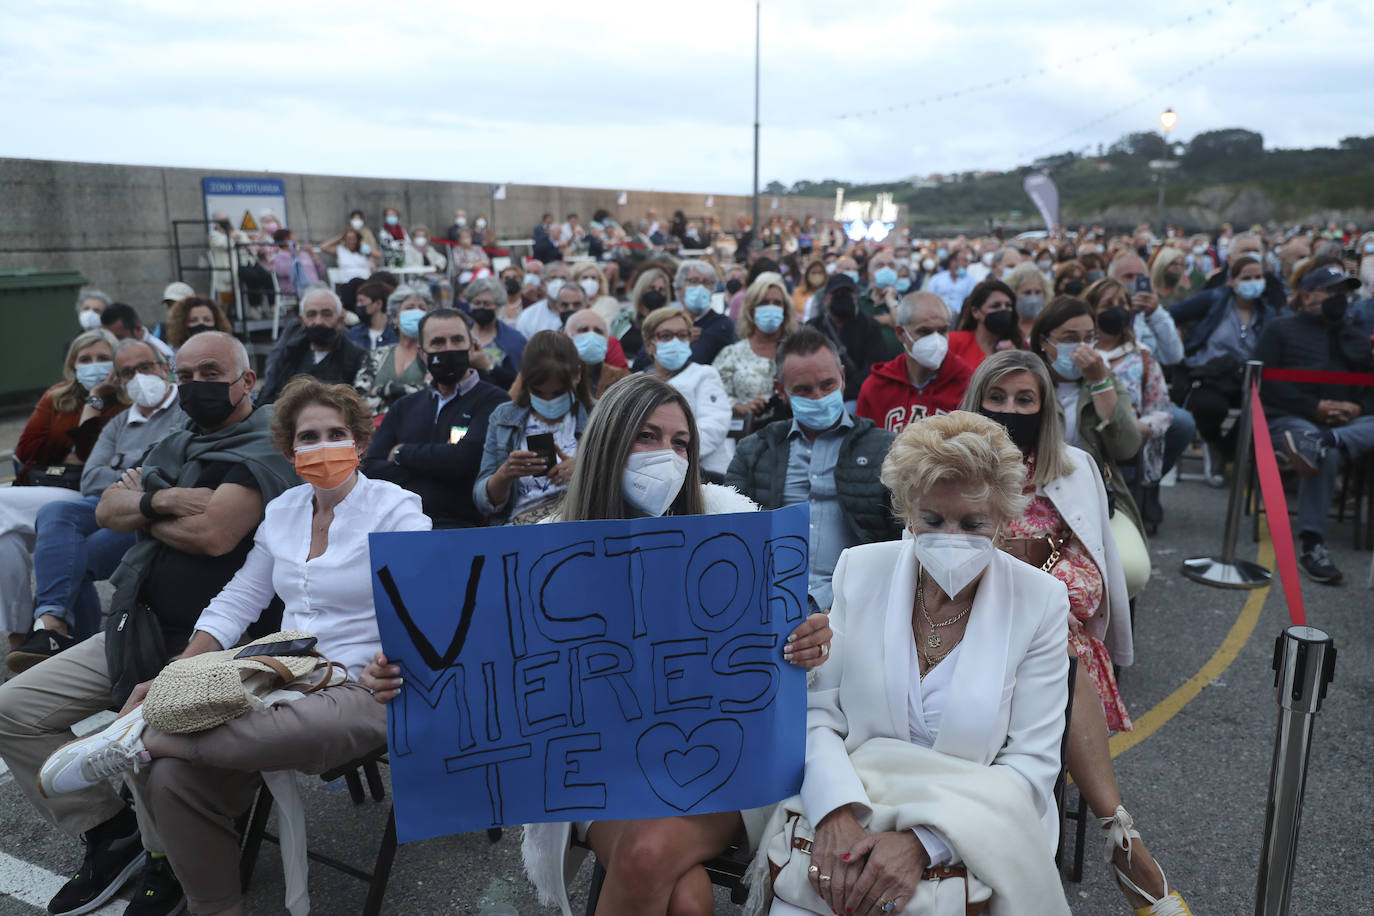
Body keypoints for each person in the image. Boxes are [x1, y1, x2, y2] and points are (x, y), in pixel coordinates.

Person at [361, 374, 830, 916]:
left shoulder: (734, 525)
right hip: (600, 769)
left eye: (681, 443)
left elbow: (795, 656)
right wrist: (401, 677)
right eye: (647, 436)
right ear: (609, 442)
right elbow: (471, 654)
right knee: (688, 894)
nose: (667, 456)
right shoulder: (549, 549)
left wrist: (809, 644)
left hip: (720, 760)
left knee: (648, 854)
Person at [36, 376, 429, 916]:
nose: (322, 446)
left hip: (368, 680)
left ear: (360, 442)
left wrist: (395, 659)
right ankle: (214, 905)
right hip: (286, 668)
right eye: (308, 436)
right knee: (174, 778)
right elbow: (240, 597)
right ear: (290, 452)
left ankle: (141, 741)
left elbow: (425, 601)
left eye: (336, 432)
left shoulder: (397, 509)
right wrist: (182, 669)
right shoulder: (286, 510)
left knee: (297, 729)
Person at [0, 330, 299, 916]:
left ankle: (168, 860)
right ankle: (113, 833)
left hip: (217, 640)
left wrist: (143, 508)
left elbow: (216, 534)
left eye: (210, 373)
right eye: (184, 376)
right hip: (134, 622)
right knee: (14, 709)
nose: (194, 387)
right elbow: (106, 508)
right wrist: (164, 503)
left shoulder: (267, 443)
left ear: (248, 381)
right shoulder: (177, 436)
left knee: (145, 732)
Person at [756, 409, 1072, 916]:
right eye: (932, 519)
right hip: (854, 804)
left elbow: (1032, 765)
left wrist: (925, 842)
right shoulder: (860, 570)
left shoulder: (1040, 600)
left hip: (970, 828)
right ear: (905, 511)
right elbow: (820, 713)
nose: (952, 536)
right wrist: (835, 813)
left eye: (974, 524)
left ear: (1004, 522)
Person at [962, 351, 1189, 915]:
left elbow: (1092, 579)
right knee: (1047, 651)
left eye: (1024, 400)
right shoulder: (949, 461)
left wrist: (1039, 604)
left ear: (1043, 409)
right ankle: (1117, 836)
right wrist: (1023, 599)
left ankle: (1109, 834)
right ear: (977, 401)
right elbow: (931, 561)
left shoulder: (1072, 469)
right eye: (997, 399)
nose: (1009, 410)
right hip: (966, 625)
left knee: (1060, 651)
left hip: (1052, 631)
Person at [6, 340, 185, 671]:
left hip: (148, 513)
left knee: (72, 559)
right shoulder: (118, 423)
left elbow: (176, 469)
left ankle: (61, 642)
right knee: (55, 513)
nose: (139, 376)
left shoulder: (185, 409)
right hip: (105, 505)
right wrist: (135, 473)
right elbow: (90, 479)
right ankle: (52, 626)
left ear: (163, 367)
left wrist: (132, 477)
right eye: (128, 372)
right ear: (119, 380)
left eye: (145, 367)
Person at [726, 327, 901, 610]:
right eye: (804, 390)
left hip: (856, 605)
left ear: (843, 379)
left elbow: (904, 537)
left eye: (827, 384)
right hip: (769, 602)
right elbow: (728, 535)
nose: (818, 397)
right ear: (781, 391)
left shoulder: (885, 449)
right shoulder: (754, 450)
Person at [1255, 265, 1374, 584]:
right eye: (1332, 292)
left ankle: (1328, 438)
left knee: (1321, 444)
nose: (1341, 299)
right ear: (1307, 296)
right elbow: (1264, 385)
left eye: (1345, 294)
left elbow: (1369, 388)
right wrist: (1315, 407)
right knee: (1320, 449)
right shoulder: (1279, 330)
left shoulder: (1356, 337)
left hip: (1351, 422)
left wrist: (1355, 406)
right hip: (1289, 420)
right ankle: (1312, 543)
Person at [4, 330, 125, 641]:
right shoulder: (57, 396)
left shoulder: (125, 402)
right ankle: (21, 633)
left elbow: (89, 455)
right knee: (5, 537)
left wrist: (95, 398)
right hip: (48, 488)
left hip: (90, 494)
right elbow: (27, 450)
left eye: (102, 358)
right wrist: (72, 450)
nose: (93, 364)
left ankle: (32, 630)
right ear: (73, 365)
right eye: (85, 359)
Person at [363, 309, 509, 527]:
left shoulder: (495, 401)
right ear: (422, 353)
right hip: (402, 527)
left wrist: (402, 453)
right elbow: (371, 469)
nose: (449, 349)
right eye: (438, 342)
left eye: (457, 340)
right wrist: (439, 466)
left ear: (472, 345)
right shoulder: (404, 406)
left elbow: (466, 461)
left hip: (463, 528)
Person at [1028, 296, 1146, 545]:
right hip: (1033, 493)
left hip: (1094, 495)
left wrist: (1099, 383)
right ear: (1043, 341)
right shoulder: (1025, 381)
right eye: (1070, 339)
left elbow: (1126, 447)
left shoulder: (1105, 379)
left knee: (1133, 570)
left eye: (1089, 338)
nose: (1082, 348)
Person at [1168, 254, 1277, 468]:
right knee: (1209, 407)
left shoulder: (1268, 313)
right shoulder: (1215, 298)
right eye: (1247, 277)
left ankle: (1225, 450)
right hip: (1211, 375)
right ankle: (1215, 443)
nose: (1253, 282)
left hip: (1248, 378)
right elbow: (1171, 314)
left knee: (1266, 409)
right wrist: (1176, 336)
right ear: (1232, 280)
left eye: (1258, 276)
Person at [473, 331, 591, 525]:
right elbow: (483, 502)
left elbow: (623, 485)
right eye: (538, 392)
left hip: (578, 526)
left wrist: (584, 471)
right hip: (519, 530)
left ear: (577, 375)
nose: (549, 400)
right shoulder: (503, 417)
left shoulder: (598, 415)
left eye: (558, 393)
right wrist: (505, 473)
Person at [1086, 279, 1173, 532]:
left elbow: (1162, 411)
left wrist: (1138, 427)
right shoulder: (1079, 355)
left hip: (1128, 454)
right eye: (1108, 304)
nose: (1117, 309)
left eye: (1123, 303)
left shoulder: (1142, 355)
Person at [640, 306, 732, 482]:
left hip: (702, 472)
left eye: (682, 335)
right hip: (645, 471)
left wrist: (674, 456)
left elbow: (714, 425)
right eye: (666, 336)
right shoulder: (638, 382)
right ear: (649, 345)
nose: (676, 341)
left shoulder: (704, 375)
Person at [857, 292, 974, 431]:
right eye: (925, 331)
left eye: (942, 330)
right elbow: (864, 447)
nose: (936, 340)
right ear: (901, 333)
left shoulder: (967, 384)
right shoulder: (876, 387)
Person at [712, 272, 796, 438]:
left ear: (785, 310)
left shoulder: (797, 351)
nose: (771, 307)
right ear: (751, 310)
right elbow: (712, 395)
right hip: (747, 437)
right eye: (764, 302)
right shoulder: (731, 354)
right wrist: (738, 407)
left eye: (777, 303)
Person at [256, 286, 366, 405]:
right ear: (302, 321)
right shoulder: (288, 355)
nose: (318, 321)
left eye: (326, 314)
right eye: (311, 314)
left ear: (340, 320)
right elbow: (268, 397)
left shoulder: (357, 358)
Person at [805, 273, 889, 404]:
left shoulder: (870, 326)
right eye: (837, 294)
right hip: (820, 396)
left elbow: (875, 366)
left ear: (855, 297)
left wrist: (844, 391)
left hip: (858, 397)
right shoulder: (813, 327)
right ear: (825, 299)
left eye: (847, 293)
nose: (842, 297)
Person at [354, 284, 434, 415]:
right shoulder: (377, 355)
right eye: (410, 307)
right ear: (395, 318)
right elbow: (360, 397)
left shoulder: (432, 356)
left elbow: (432, 393)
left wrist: (381, 390)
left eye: (422, 308)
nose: (417, 312)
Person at [466, 276, 528, 390]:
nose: (481, 307)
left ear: (498, 306)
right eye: (476, 303)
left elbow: (519, 381)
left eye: (487, 304)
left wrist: (488, 366)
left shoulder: (514, 339)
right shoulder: (459, 335)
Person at [946, 279, 1022, 369]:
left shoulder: (1019, 345)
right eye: (996, 306)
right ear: (975, 312)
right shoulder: (953, 342)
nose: (1003, 310)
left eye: (1008, 305)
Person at [675, 259, 737, 366]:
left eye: (706, 283)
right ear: (680, 287)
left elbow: (697, 360)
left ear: (713, 289)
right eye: (693, 281)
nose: (700, 287)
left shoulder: (721, 324)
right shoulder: (669, 321)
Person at [564, 309, 629, 398]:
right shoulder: (556, 376)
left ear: (606, 339)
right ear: (567, 335)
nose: (591, 335)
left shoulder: (622, 378)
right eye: (583, 330)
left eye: (598, 331)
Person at [619, 263, 674, 366]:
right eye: (652, 288)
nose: (656, 293)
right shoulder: (623, 319)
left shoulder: (670, 323)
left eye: (661, 290)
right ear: (641, 289)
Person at [100, 303, 175, 363]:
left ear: (138, 329)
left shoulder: (162, 355)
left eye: (118, 338)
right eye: (107, 338)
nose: (112, 342)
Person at [268, 229, 327, 300]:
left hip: (315, 287)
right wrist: (294, 256)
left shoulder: (304, 254)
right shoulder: (280, 257)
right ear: (287, 240)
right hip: (297, 291)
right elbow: (287, 272)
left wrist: (312, 254)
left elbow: (321, 271)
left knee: (325, 290)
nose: (295, 239)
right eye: (292, 237)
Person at [1006, 261, 1053, 343]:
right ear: (1013, 294)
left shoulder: (1051, 327)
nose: (1033, 298)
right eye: (1027, 293)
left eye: (1038, 292)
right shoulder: (1006, 326)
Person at [346, 280, 399, 351]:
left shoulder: (396, 334)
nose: (358, 305)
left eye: (361, 301)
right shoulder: (355, 333)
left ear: (378, 303)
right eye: (357, 301)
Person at [164, 296, 232, 349]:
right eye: (193, 320)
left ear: (217, 322)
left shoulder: (228, 352)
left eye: (207, 320)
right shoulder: (173, 356)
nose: (201, 323)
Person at [925, 248, 977, 316]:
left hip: (961, 317)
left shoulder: (971, 280)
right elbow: (929, 298)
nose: (967, 264)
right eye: (965, 261)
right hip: (939, 315)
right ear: (953, 262)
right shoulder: (936, 279)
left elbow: (972, 301)